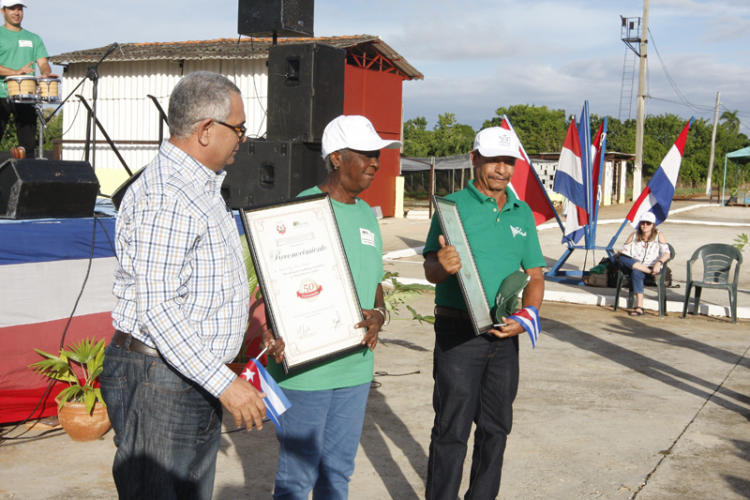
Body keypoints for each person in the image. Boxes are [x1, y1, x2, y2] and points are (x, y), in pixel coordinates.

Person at [101, 71, 283, 500]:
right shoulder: (168, 195)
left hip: (184, 373)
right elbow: (159, 309)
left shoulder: (199, 187)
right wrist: (225, 383)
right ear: (206, 130)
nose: (242, 137)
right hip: (159, 379)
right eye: (238, 127)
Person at [267, 114, 399, 499]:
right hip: (308, 373)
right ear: (337, 157)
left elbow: (374, 285)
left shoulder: (367, 216)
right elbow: (277, 292)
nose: (375, 163)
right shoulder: (298, 213)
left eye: (378, 155)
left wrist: (379, 315)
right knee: (296, 480)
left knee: (337, 475)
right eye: (366, 154)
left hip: (355, 370)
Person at [423, 126, 545, 500]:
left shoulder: (521, 212)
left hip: (504, 337)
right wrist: (441, 264)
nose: (502, 170)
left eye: (508, 162)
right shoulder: (452, 207)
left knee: (496, 428)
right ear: (475, 158)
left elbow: (536, 276)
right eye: (494, 160)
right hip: (459, 334)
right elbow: (431, 268)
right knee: (451, 430)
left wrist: (527, 318)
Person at [0, 0, 56, 157]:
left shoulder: (34, 38)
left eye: (20, 9)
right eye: (12, 9)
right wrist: (16, 72)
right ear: (3, 11)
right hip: (1, 94)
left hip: (27, 95)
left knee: (28, 144)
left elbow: (43, 62)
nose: (17, 13)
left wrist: (46, 72)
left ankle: (28, 178)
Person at [615, 211, 670, 316]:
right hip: (638, 265)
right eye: (642, 223)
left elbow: (667, 253)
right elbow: (626, 252)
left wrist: (659, 263)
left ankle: (639, 307)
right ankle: (648, 273)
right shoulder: (634, 235)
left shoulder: (659, 235)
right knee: (622, 258)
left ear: (653, 225)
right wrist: (622, 252)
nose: (644, 225)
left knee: (636, 272)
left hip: (653, 266)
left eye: (648, 223)